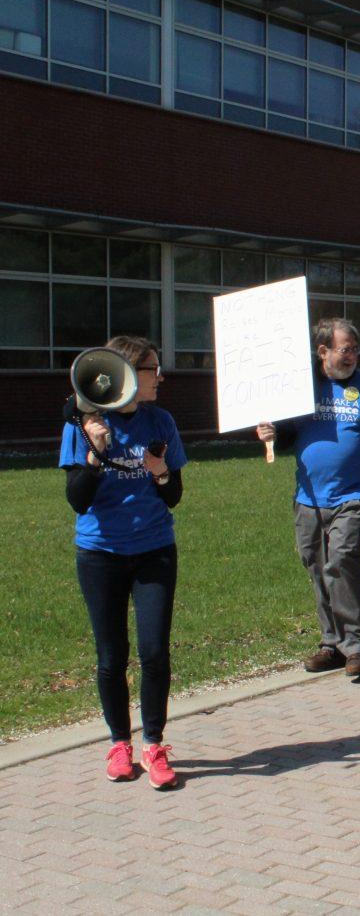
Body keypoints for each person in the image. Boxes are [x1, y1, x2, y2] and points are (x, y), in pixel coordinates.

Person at [60, 336, 186, 789]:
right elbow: (77, 500)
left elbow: (174, 495)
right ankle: (119, 743)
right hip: (100, 554)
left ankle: (154, 744)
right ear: (129, 374)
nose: (161, 377)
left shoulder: (162, 421)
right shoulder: (83, 424)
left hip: (154, 550)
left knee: (154, 652)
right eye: (154, 369)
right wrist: (95, 452)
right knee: (112, 656)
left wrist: (161, 472)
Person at [256, 318, 360, 677]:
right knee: (316, 565)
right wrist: (268, 432)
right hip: (309, 498)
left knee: (343, 559)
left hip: (354, 494)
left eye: (355, 349)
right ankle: (330, 643)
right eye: (344, 349)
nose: (352, 356)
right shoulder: (301, 389)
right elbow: (286, 437)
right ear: (323, 351)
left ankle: (355, 646)